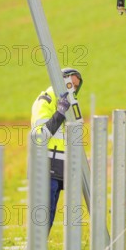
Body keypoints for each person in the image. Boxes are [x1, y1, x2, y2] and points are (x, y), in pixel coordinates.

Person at [31, 68, 83, 231]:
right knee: (43, 216)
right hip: (45, 167)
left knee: (50, 216)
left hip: (61, 169)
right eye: (70, 84)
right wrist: (60, 112)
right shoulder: (45, 100)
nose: (73, 89)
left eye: (76, 86)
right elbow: (40, 136)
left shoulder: (71, 105)